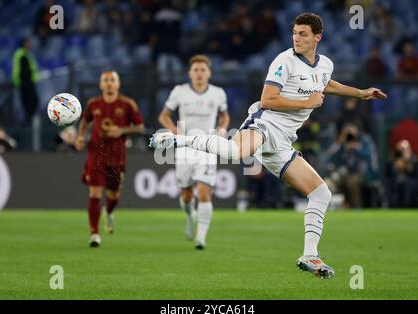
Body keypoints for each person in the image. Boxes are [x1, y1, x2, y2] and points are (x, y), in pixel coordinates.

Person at [150, 13, 387, 279]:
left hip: (284, 141)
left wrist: (360, 93)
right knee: (235, 151)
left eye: (303, 34)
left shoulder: (325, 65)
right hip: (265, 124)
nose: (297, 38)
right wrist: (305, 104)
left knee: (322, 194)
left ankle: (310, 256)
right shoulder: (284, 61)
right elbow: (268, 99)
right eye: (295, 33)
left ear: (317, 37)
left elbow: (324, 82)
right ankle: (176, 139)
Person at [158, 55, 230, 250]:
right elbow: (163, 116)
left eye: (203, 70)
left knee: (204, 191)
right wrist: (173, 129)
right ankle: (190, 216)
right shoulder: (179, 92)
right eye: (196, 70)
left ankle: (201, 238)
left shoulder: (218, 93)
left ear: (209, 73)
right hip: (184, 148)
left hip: (207, 146)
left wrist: (223, 128)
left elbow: (224, 116)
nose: (199, 73)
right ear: (190, 73)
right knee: (187, 195)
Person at [75, 71, 144, 247]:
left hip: (117, 155)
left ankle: (109, 212)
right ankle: (94, 233)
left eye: (112, 80)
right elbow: (85, 121)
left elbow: (140, 127)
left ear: (118, 84)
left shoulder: (127, 104)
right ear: (100, 84)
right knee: (95, 191)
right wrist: (80, 136)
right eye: (105, 80)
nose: (109, 83)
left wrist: (122, 131)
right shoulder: (93, 104)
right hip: (96, 153)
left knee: (113, 194)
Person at [325, 123, 379, 208]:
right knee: (330, 181)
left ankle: (357, 208)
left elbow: (369, 157)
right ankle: (329, 208)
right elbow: (332, 158)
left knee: (352, 182)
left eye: (351, 131)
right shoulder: (343, 142)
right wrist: (339, 143)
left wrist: (356, 148)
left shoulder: (364, 140)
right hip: (347, 171)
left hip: (364, 172)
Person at [11, 38, 40, 124]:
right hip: (25, 83)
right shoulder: (22, 54)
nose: (30, 45)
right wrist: (25, 82)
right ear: (24, 44)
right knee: (30, 102)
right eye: (28, 43)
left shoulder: (24, 53)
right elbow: (23, 71)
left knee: (31, 102)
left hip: (26, 82)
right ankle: (29, 122)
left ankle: (30, 121)